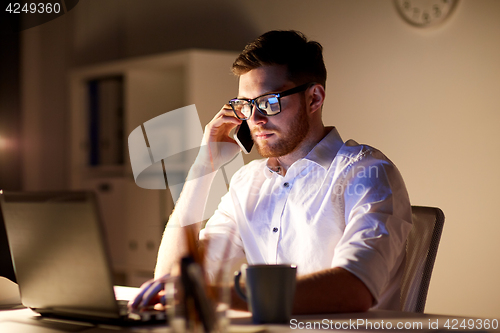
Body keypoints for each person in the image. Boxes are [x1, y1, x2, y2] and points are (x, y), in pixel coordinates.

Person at [130, 30, 412, 314]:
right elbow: (173, 280)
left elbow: (354, 289)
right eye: (246, 105)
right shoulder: (247, 182)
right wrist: (204, 166)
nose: (255, 119)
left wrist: (215, 295)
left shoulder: (367, 173)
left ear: (314, 98)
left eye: (268, 102)